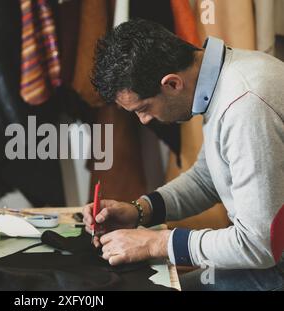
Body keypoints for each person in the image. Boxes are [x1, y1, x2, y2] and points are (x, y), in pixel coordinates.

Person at [82, 19, 284, 291]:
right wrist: (140, 210)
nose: (143, 120)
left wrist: (156, 243)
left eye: (143, 108)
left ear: (172, 84)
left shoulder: (244, 107)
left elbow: (259, 245)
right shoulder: (229, 75)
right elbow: (208, 177)